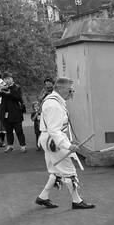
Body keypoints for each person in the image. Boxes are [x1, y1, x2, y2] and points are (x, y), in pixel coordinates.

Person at [35, 76, 95, 211]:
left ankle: (43, 197)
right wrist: (68, 146)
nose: (72, 92)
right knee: (69, 171)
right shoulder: (54, 104)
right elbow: (54, 130)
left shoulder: (55, 101)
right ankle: (76, 201)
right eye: (70, 89)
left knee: (55, 170)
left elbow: (57, 128)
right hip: (53, 141)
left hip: (50, 139)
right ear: (60, 88)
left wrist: (68, 140)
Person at [0, 73, 27, 153]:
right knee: (8, 130)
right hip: (5, 113)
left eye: (9, 78)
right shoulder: (2, 86)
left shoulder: (16, 87)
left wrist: (9, 93)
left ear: (12, 79)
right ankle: (10, 145)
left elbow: (18, 97)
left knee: (19, 130)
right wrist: (0, 89)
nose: (7, 80)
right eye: (5, 79)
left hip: (16, 112)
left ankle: (23, 145)